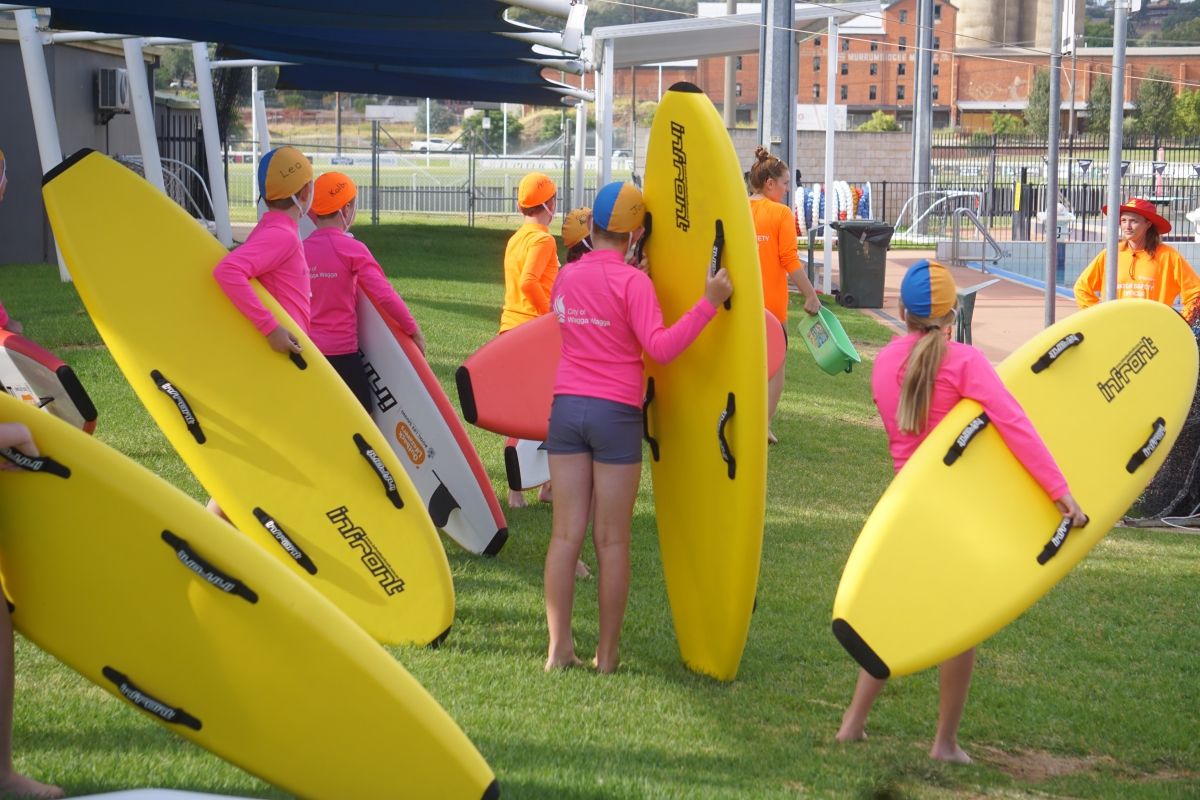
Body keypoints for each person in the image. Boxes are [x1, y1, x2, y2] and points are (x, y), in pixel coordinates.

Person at [835, 260, 1086, 763]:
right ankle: (944, 743)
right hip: (956, 521)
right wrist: (1062, 495)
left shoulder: (884, 363)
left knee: (897, 618)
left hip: (906, 516)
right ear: (952, 313)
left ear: (902, 311)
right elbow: (1016, 426)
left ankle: (852, 725)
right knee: (960, 626)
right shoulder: (965, 361)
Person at [543, 182, 733, 673]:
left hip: (566, 411)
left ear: (594, 228)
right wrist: (708, 302)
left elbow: (576, 315)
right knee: (611, 541)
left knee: (565, 537)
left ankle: (558, 648)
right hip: (614, 415)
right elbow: (662, 348)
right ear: (637, 232)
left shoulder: (567, 276)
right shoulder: (634, 284)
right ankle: (606, 655)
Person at [210, 146, 313, 518]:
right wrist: (270, 329)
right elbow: (228, 271)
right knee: (266, 451)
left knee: (271, 450)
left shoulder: (276, 229)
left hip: (289, 361)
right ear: (304, 194)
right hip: (278, 361)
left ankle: (226, 522)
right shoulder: (281, 236)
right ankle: (218, 523)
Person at [304, 172, 425, 412]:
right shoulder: (351, 249)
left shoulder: (300, 249)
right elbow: (384, 295)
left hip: (308, 354)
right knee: (364, 419)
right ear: (346, 209)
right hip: (342, 355)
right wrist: (413, 330)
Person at [747, 147, 821, 444]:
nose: (788, 189)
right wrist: (810, 295)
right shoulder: (781, 213)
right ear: (769, 183)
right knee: (775, 367)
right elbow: (790, 260)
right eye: (786, 183)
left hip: (740, 305)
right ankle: (762, 425)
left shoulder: (737, 208)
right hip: (772, 308)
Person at [501, 172, 560, 509]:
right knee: (533, 413)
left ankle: (546, 484)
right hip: (531, 333)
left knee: (537, 411)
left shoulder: (517, 238)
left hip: (511, 329)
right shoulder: (542, 240)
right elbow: (529, 282)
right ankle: (517, 491)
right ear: (549, 204)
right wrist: (550, 316)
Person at [1073, 197, 1200, 323]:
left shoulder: (1168, 256)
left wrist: (1182, 323)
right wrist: (1099, 317)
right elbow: (1082, 288)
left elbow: (1196, 293)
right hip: (1115, 328)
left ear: (1148, 224)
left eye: (1134, 221)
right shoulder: (1111, 254)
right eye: (1123, 220)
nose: (1127, 226)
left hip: (1152, 331)